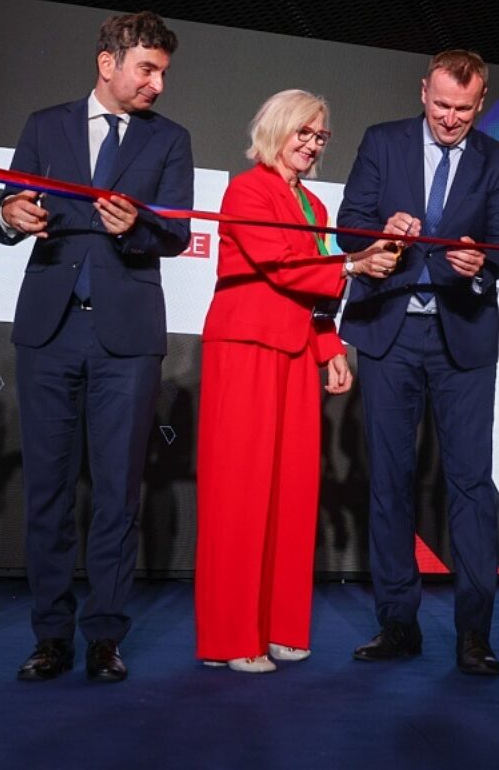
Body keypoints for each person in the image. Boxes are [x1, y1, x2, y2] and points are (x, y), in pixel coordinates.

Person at [0, 12, 193, 684]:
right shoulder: (44, 125)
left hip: (127, 338)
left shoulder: (171, 139)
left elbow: (175, 233)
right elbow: (9, 205)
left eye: (163, 72)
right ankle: (50, 636)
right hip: (49, 330)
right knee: (47, 492)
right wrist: (10, 215)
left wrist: (135, 226)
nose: (157, 84)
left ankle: (105, 636)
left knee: (117, 494)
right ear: (107, 63)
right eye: (147, 68)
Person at [194, 91, 399, 673]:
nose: (311, 145)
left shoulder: (312, 202)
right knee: (240, 493)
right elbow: (279, 264)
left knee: (292, 492)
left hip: (293, 352)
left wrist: (330, 348)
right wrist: (354, 264)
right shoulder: (247, 190)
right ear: (277, 129)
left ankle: (280, 626)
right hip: (246, 349)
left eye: (319, 136)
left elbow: (313, 294)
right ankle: (231, 637)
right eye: (302, 133)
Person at [336, 48, 499, 677]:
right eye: (441, 105)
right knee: (390, 481)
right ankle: (398, 624)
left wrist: (482, 260)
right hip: (389, 331)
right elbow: (348, 227)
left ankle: (474, 634)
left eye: (463, 109)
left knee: (470, 484)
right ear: (423, 92)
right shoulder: (381, 141)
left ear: (481, 101)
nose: (450, 118)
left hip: (461, 335)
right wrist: (380, 232)